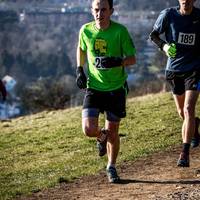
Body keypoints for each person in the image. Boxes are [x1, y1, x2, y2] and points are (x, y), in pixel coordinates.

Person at [76, 0, 136, 183]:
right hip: (94, 87)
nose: (99, 14)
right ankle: (100, 137)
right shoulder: (85, 30)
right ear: (91, 10)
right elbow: (81, 48)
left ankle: (111, 167)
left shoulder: (120, 31)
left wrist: (117, 62)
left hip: (115, 89)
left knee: (113, 132)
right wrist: (79, 69)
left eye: (103, 10)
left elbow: (132, 59)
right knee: (88, 129)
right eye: (96, 10)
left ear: (111, 11)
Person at [149, 0, 200, 167]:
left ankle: (184, 153)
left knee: (188, 108)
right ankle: (195, 126)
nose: (185, 0)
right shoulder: (168, 15)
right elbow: (153, 35)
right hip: (174, 70)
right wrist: (164, 47)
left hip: (194, 69)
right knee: (181, 112)